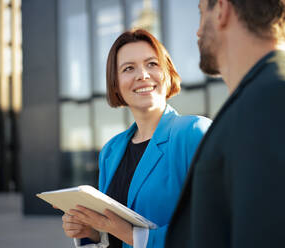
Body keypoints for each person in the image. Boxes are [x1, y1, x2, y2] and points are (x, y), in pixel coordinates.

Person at [165, 0, 285, 247]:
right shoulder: (272, 97)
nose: (198, 30)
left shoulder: (280, 101)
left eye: (202, 13)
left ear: (222, 10)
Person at [60, 29, 211, 248]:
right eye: (128, 68)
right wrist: (93, 232)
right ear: (116, 84)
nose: (142, 75)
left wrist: (132, 235)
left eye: (152, 64)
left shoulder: (194, 133)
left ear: (167, 73)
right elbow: (111, 234)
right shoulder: (111, 151)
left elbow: (213, 225)